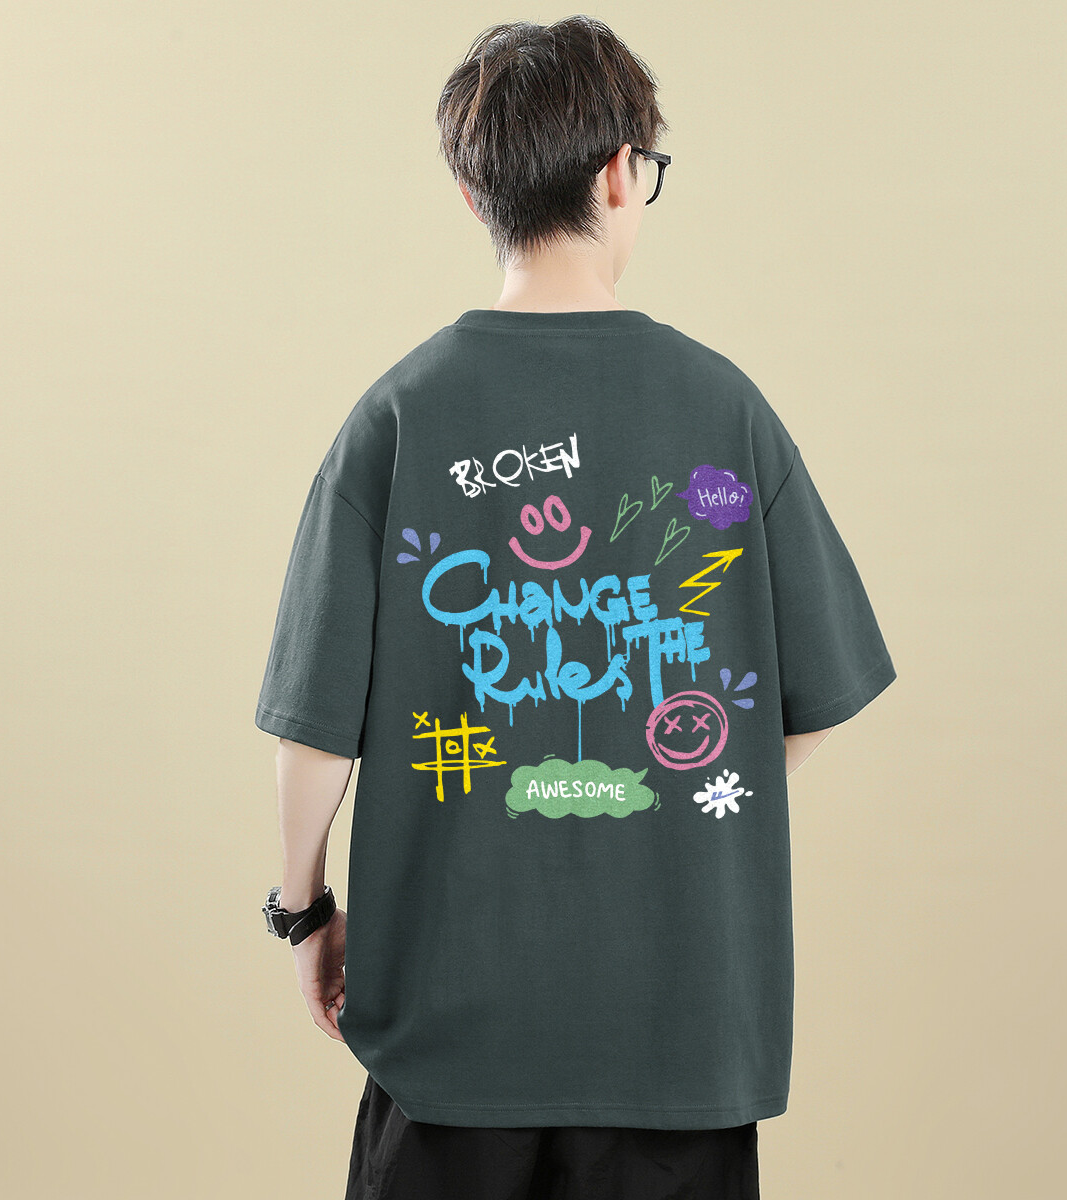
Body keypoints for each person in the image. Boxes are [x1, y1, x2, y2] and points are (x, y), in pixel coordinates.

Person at [254, 15, 897, 1200]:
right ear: (619, 173)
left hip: (447, 1039)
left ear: (471, 192)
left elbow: (312, 735)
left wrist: (305, 913)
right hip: (678, 1040)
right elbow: (814, 699)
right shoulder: (725, 411)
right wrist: (685, 809)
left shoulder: (397, 419)